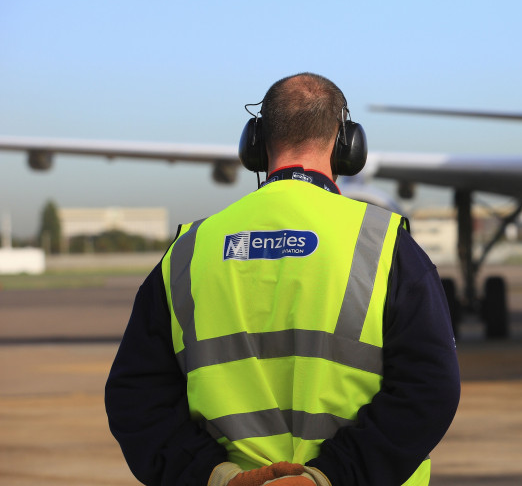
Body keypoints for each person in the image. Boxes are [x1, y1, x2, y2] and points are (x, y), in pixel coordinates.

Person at [105, 73, 460, 486]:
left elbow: (137, 397)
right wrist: (328, 477)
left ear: (254, 144)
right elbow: (429, 388)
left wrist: (217, 477)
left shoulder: (189, 250)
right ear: (347, 145)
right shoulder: (385, 245)